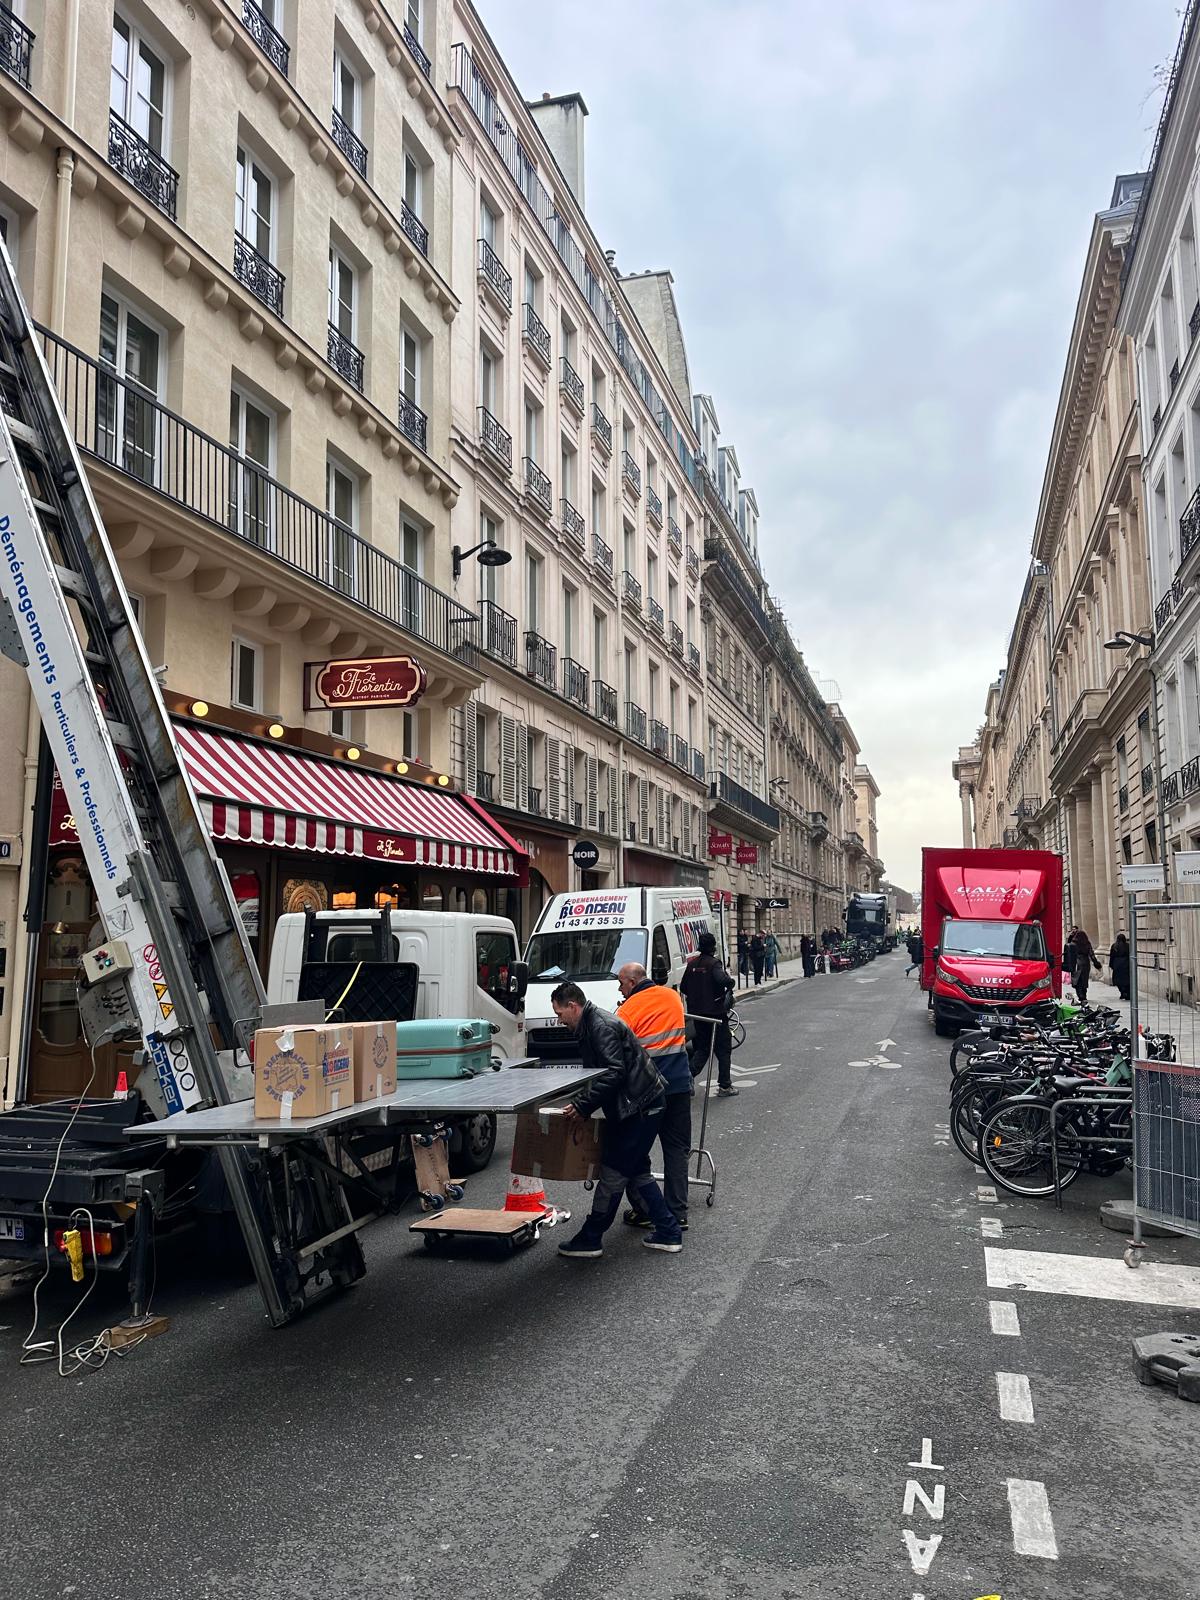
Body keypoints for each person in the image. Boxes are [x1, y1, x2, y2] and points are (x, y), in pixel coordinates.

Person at [550, 982, 682, 1258]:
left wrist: (583, 1104)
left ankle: (591, 1237)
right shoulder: (591, 1024)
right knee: (635, 1170)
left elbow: (613, 1073)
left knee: (613, 1171)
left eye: (560, 1014)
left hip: (641, 1106)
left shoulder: (601, 1026)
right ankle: (669, 1231)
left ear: (573, 1006)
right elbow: (602, 1073)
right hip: (637, 1105)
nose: (560, 1021)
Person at [615, 962, 692, 1231]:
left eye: (621, 984)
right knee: (677, 1150)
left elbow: (620, 1051)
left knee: (636, 1151)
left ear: (632, 983)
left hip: (647, 1091)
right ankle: (678, 1213)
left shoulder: (627, 1010)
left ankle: (645, 1210)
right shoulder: (672, 996)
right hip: (680, 1086)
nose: (620, 989)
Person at [681, 930, 737, 1097]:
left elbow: (684, 987)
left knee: (703, 1049)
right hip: (715, 1015)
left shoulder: (692, 965)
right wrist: (731, 982)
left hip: (698, 1015)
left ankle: (687, 1079)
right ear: (713, 947)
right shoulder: (714, 964)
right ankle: (725, 1086)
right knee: (723, 1049)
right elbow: (723, 980)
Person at [1069, 925, 1101, 1004]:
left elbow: (1070, 953)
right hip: (1085, 962)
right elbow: (1091, 954)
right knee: (1084, 979)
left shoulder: (1073, 943)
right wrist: (1096, 963)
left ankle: (1080, 995)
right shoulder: (1087, 943)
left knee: (1077, 980)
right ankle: (1084, 995)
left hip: (1076, 962)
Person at [1109, 932, 1131, 1001]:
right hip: (1126, 964)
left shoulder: (1114, 946)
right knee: (1127, 980)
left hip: (1117, 964)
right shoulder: (1128, 946)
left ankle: (1122, 992)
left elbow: (1111, 956)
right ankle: (1127, 993)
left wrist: (1111, 965)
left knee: (1118, 980)